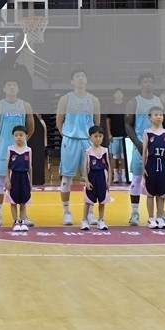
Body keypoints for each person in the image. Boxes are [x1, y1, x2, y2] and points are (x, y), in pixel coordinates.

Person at [55, 69, 101, 226]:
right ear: (72, 81)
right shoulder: (65, 99)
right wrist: (66, 135)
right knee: (67, 177)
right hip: (70, 140)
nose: (80, 78)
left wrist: (93, 139)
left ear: (86, 80)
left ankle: (90, 213)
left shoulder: (94, 100)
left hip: (87, 141)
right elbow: (59, 120)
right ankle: (66, 212)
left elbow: (96, 122)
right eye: (77, 76)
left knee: (91, 177)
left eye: (83, 76)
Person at [0, 79, 34, 228]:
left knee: (23, 184)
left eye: (14, 85)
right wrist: (1, 142)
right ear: (4, 88)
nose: (12, 87)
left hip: (21, 151)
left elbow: (31, 128)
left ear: (18, 88)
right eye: (9, 85)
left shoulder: (25, 106)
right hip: (3, 150)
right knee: (0, 183)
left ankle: (24, 216)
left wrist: (21, 144)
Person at [125, 72, 165, 227]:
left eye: (150, 81)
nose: (148, 84)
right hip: (140, 145)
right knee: (137, 179)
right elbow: (128, 124)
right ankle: (135, 213)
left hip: (158, 147)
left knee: (159, 180)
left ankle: (161, 214)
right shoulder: (134, 102)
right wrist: (137, 143)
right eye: (145, 81)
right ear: (140, 84)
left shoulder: (160, 101)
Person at [141, 106, 165, 229]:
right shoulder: (147, 132)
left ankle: (160, 217)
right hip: (151, 164)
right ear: (150, 117)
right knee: (150, 193)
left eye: (161, 115)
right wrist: (143, 167)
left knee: (162, 193)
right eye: (156, 115)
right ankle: (151, 218)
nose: (159, 117)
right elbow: (144, 151)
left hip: (163, 165)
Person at [81, 125, 111, 231]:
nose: (98, 138)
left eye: (100, 136)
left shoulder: (105, 150)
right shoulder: (88, 151)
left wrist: (109, 181)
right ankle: (84, 220)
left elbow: (109, 167)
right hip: (92, 178)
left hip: (102, 178)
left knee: (102, 201)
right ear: (90, 137)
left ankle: (101, 220)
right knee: (88, 201)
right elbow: (85, 167)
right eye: (95, 136)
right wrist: (86, 181)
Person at [5, 124, 33, 232]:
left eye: (21, 135)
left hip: (24, 177)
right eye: (16, 135)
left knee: (23, 202)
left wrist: (31, 182)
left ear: (26, 136)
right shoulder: (10, 149)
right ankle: (16, 221)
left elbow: (30, 167)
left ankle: (22, 221)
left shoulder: (28, 150)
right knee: (13, 201)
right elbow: (7, 166)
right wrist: (7, 179)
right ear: (13, 137)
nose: (18, 137)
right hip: (14, 177)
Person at [106, 89, 127, 184]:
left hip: (124, 135)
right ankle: (115, 175)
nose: (118, 95)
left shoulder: (126, 106)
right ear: (114, 95)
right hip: (114, 135)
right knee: (114, 156)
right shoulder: (110, 106)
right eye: (117, 93)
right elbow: (108, 121)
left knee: (123, 156)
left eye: (120, 93)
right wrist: (109, 133)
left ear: (122, 95)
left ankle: (123, 175)